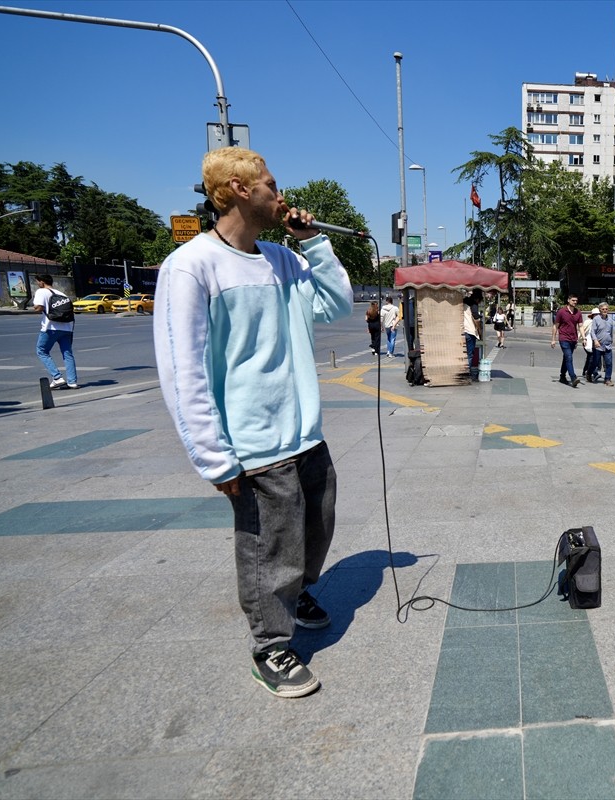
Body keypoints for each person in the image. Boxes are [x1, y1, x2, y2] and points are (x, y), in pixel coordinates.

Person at [153, 147, 353, 699]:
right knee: (270, 546)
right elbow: (182, 368)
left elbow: (336, 305)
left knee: (316, 528)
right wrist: (213, 456)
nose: (280, 195)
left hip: (305, 431)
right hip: (253, 442)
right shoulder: (192, 266)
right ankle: (270, 645)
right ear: (240, 190)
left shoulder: (282, 259)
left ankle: (297, 594)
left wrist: (313, 242)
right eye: (271, 185)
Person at [31, 274, 78, 389]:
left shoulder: (41, 291)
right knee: (67, 353)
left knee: (42, 351)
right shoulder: (62, 294)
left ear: (42, 282)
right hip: (67, 328)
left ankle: (57, 378)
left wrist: (34, 308)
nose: (37, 284)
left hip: (51, 327)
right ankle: (72, 382)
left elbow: (39, 308)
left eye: (37, 281)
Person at [550, 293, 583, 387]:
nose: (575, 302)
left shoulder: (578, 312)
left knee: (566, 358)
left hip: (573, 339)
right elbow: (556, 326)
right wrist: (553, 339)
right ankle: (573, 377)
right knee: (569, 357)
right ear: (568, 300)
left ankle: (562, 376)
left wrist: (583, 338)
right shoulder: (561, 312)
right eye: (573, 300)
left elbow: (581, 326)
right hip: (564, 338)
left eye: (576, 301)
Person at [591, 302, 615, 386]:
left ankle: (607, 379)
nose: (605, 310)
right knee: (595, 363)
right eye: (603, 309)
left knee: (609, 363)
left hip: (608, 345)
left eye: (606, 309)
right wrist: (595, 341)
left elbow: (611, 332)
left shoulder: (610, 320)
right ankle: (589, 373)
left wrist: (611, 340)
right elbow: (592, 331)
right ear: (600, 310)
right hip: (598, 345)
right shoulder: (596, 319)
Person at [463, 288, 481, 379]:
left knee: (462, 353)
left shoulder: (463, 302)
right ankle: (466, 374)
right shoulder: (473, 304)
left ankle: (462, 372)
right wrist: (479, 330)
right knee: (469, 355)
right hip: (470, 331)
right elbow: (476, 318)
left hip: (462, 330)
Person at [580, 306, 598, 382]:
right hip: (587, 343)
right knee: (592, 358)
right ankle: (594, 373)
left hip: (594, 344)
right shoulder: (588, 322)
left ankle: (585, 371)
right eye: (595, 314)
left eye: (598, 314)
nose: (597, 316)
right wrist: (582, 339)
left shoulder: (599, 323)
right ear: (592, 315)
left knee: (589, 358)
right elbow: (582, 330)